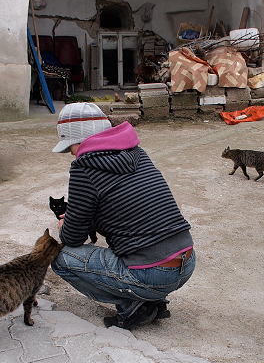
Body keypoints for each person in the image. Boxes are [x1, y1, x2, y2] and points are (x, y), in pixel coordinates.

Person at [50, 102, 195, 329]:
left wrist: (65, 223)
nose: (71, 154)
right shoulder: (137, 153)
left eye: (70, 147)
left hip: (153, 273)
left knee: (60, 257)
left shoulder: (83, 167)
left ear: (79, 141)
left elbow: (72, 238)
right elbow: (126, 208)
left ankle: (135, 306)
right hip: (185, 262)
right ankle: (152, 298)